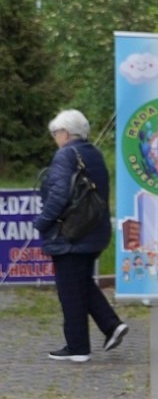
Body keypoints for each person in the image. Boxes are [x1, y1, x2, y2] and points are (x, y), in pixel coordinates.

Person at [34, 110, 128, 363]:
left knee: (70, 291)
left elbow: (59, 195)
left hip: (71, 234)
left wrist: (42, 223)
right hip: (94, 230)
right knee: (81, 283)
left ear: (65, 133)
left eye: (55, 133)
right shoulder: (93, 154)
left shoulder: (66, 155)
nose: (55, 138)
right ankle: (111, 325)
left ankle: (78, 347)